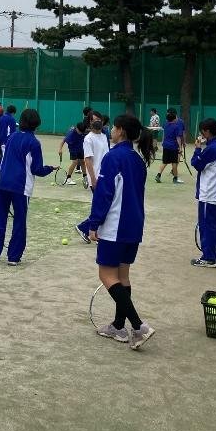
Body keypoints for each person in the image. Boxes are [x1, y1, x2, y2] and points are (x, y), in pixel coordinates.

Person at [86, 114, 156, 349]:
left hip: (115, 227)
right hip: (134, 227)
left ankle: (138, 326)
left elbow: (104, 194)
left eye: (114, 127)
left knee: (106, 276)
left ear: (121, 131)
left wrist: (93, 224)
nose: (111, 131)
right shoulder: (137, 159)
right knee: (122, 277)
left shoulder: (113, 157)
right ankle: (118, 326)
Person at [0, 108, 54, 265]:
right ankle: (14, 256)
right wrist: (49, 169)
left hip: (3, 184)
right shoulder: (34, 143)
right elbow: (37, 169)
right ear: (36, 124)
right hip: (21, 187)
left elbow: (3, 158)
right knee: (19, 220)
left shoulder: (11, 137)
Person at [190, 118, 216, 268]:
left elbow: (196, 163)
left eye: (202, 131)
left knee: (207, 226)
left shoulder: (212, 148)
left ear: (207, 131)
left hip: (210, 194)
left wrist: (197, 148)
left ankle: (208, 258)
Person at [74, 112, 110, 243]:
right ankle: (84, 228)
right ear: (89, 122)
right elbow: (87, 160)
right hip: (96, 178)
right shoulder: (88, 138)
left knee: (104, 206)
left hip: (106, 176)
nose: (97, 121)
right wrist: (93, 180)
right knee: (101, 207)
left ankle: (91, 230)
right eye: (94, 120)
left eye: (99, 119)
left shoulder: (104, 136)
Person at [154, 110, 185, 184]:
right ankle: (175, 178)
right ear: (174, 119)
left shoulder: (165, 124)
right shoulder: (176, 127)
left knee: (164, 161)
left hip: (166, 146)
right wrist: (180, 148)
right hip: (173, 147)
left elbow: (164, 132)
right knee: (174, 162)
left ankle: (158, 175)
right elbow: (178, 138)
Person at [0, 104, 17, 179]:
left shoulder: (1, 118)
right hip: (6, 142)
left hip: (0, 141)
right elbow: (12, 133)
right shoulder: (12, 119)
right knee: (5, 158)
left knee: (3, 156)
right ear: (13, 113)